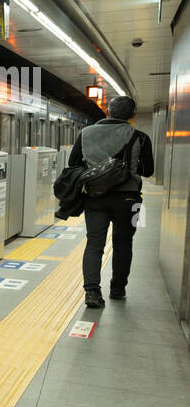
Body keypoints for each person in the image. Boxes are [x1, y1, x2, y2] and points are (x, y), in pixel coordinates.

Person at [67, 95, 153, 308]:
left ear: (108, 111)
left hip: (95, 197)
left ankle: (92, 293)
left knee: (94, 244)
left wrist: (97, 169)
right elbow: (149, 171)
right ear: (132, 115)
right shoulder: (140, 137)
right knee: (124, 243)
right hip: (129, 198)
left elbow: (73, 163)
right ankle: (118, 288)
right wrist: (127, 169)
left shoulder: (86, 133)